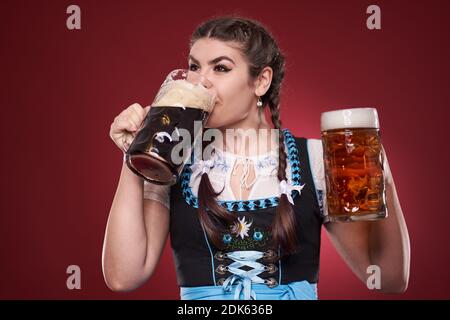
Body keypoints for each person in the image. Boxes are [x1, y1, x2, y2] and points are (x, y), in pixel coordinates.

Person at [102, 16, 410, 300]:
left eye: (220, 68)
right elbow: (125, 276)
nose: (199, 82)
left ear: (261, 81)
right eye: (194, 67)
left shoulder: (316, 160)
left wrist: (385, 182)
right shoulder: (173, 162)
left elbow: (388, 279)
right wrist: (136, 153)